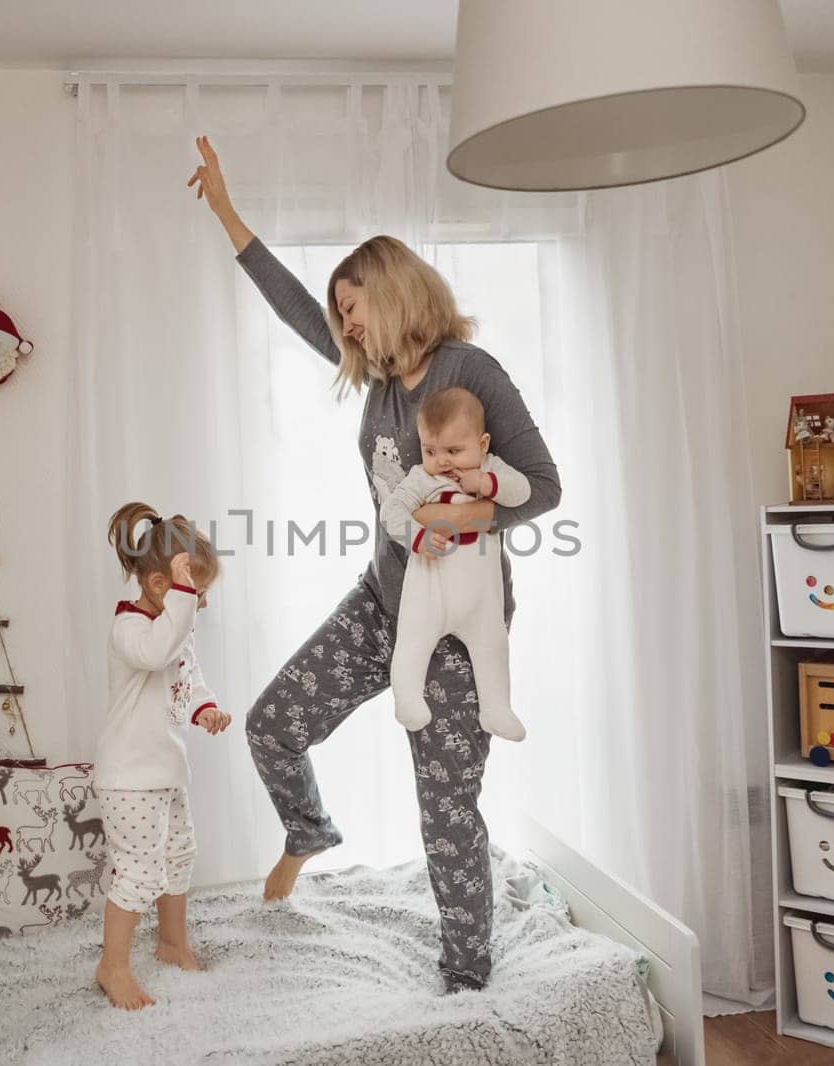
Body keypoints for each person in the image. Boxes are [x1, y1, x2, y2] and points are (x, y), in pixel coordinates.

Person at [188, 136, 561, 991]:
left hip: (462, 630)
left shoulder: (471, 372)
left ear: (392, 293)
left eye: (353, 306)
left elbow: (544, 486)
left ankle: (466, 978)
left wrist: (459, 512)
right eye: (341, 313)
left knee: (446, 810)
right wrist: (227, 213)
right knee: (273, 724)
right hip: (384, 603)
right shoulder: (383, 381)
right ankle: (309, 832)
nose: (345, 324)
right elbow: (292, 306)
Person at [94, 501, 233, 1010]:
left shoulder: (175, 628)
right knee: (136, 872)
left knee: (178, 856)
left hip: (166, 771)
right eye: (197, 595)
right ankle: (113, 966)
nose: (200, 606)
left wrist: (205, 709)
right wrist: (181, 598)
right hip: (128, 776)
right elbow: (157, 653)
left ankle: (173, 942)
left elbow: (185, 676)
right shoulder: (129, 629)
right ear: (161, 587)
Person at [380, 385, 530, 741]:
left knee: (493, 643)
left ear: (482, 444)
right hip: (431, 590)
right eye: (430, 450)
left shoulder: (492, 468)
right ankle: (408, 698)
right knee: (413, 639)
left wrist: (488, 483)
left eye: (453, 450)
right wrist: (416, 536)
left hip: (480, 596)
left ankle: (496, 708)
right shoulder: (422, 478)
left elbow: (523, 491)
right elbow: (391, 511)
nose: (442, 461)